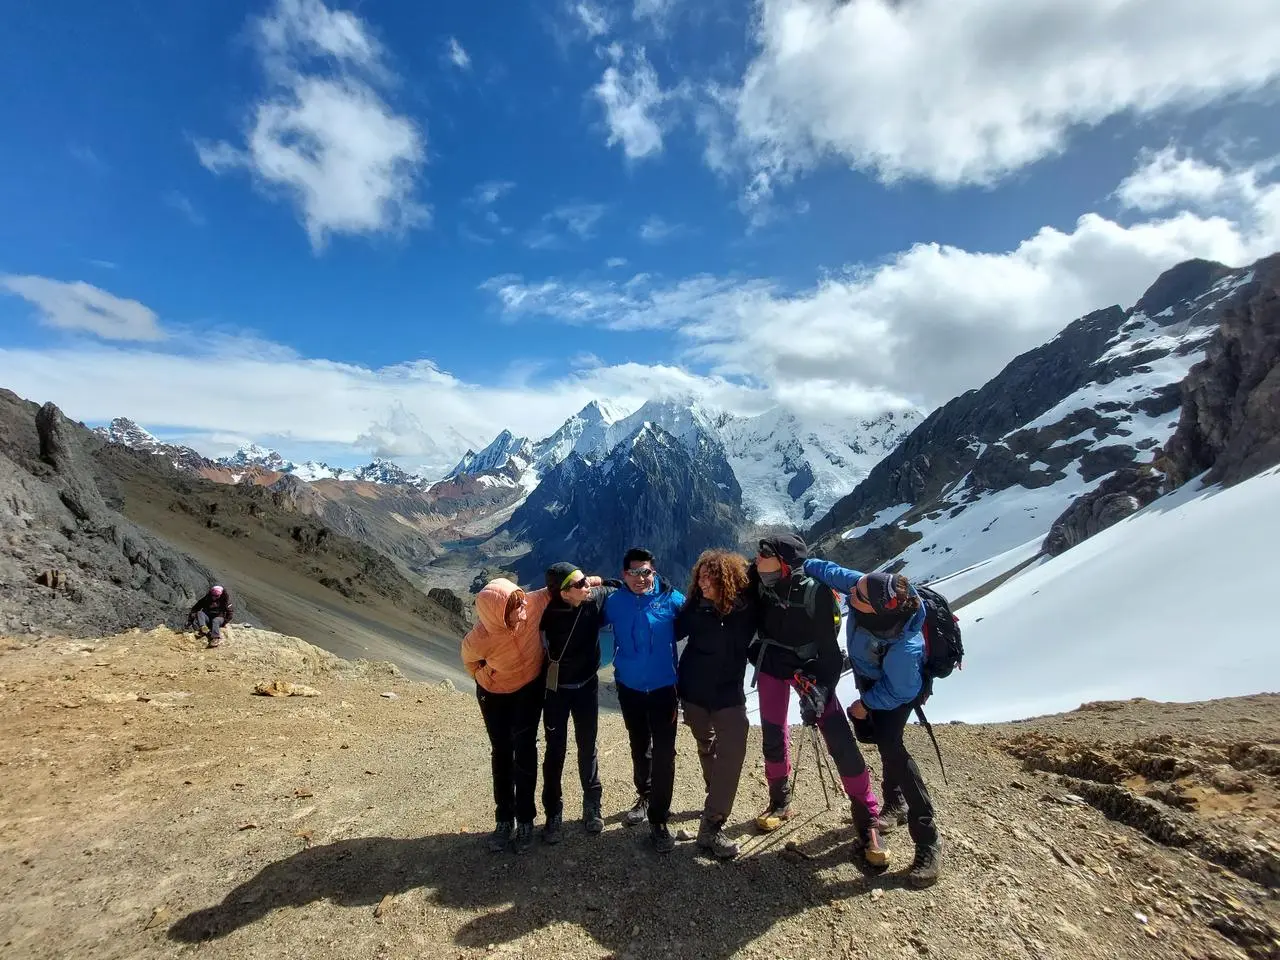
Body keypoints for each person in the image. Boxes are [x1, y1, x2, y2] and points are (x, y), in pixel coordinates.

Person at [749, 534, 887, 868]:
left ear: (784, 562)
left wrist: (819, 693)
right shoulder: (759, 582)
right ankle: (779, 801)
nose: (755, 559)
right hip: (771, 666)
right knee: (772, 733)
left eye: (763, 554)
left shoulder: (817, 593)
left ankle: (867, 815)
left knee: (838, 737)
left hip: (810, 671)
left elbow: (829, 656)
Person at [802, 561, 941, 888]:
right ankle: (894, 803)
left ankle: (928, 839)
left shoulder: (904, 647)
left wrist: (865, 704)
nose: (852, 593)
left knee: (892, 747)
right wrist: (801, 562)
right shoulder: (872, 588)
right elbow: (833, 572)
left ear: (876, 610)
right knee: (882, 741)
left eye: (858, 596)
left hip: (896, 691)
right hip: (873, 676)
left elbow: (901, 689)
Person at [461, 575, 595, 854]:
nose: (523, 610)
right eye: (515, 607)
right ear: (497, 614)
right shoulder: (480, 637)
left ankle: (525, 819)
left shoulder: (532, 603)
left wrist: (590, 580)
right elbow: (470, 661)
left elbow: (562, 585)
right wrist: (488, 676)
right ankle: (503, 820)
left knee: (524, 752)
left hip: (529, 691)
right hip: (494, 694)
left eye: (522, 602)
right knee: (501, 752)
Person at [601, 547, 685, 853]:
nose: (641, 578)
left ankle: (659, 820)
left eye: (646, 572)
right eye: (634, 573)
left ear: (654, 572)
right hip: (630, 688)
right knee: (640, 746)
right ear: (625, 575)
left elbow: (697, 620)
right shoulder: (614, 603)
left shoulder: (671, 599)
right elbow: (585, 620)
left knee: (665, 753)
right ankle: (645, 795)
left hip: (664, 689)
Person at [675, 549, 756, 860]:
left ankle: (712, 824)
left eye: (711, 577)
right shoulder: (694, 608)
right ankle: (715, 800)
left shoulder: (746, 609)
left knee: (732, 749)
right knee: (706, 745)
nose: (703, 582)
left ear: (727, 579)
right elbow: (668, 628)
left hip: (728, 694)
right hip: (694, 692)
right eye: (701, 577)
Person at [538, 562, 620, 843]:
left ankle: (592, 805)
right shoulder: (544, 611)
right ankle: (553, 812)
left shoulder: (592, 600)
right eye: (579, 584)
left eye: (586, 581)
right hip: (556, 691)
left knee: (588, 746)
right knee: (555, 750)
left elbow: (613, 587)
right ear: (563, 593)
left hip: (586, 686)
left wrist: (596, 579)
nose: (587, 587)